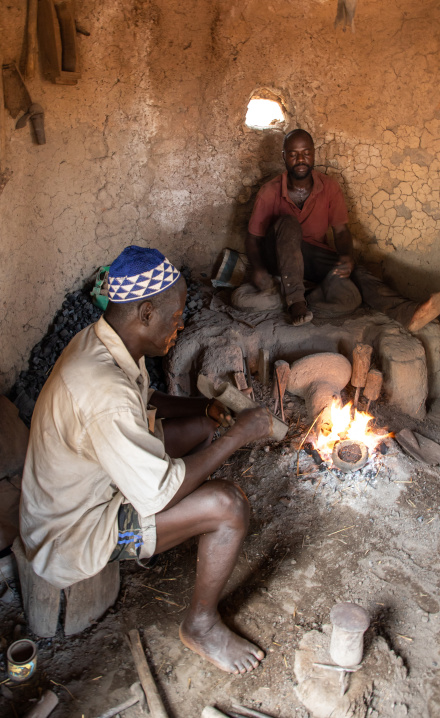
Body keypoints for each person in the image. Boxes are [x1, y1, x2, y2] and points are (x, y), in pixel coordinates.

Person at [20, 245, 271, 675]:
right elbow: (159, 494)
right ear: (146, 313)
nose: (180, 325)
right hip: (71, 530)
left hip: (95, 481)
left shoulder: (100, 341)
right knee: (229, 506)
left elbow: (145, 398)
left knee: (200, 429)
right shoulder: (103, 390)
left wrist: (200, 410)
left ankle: (204, 436)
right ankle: (201, 626)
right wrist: (237, 436)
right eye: (175, 318)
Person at [246, 128, 440, 328]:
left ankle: (410, 315)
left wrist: (346, 257)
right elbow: (253, 238)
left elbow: (341, 231)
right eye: (294, 154)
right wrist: (258, 268)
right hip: (278, 257)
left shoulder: (329, 187)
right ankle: (296, 303)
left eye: (306, 153)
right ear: (284, 157)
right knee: (288, 222)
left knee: (354, 271)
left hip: (311, 256)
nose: (301, 160)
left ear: (314, 154)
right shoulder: (269, 191)